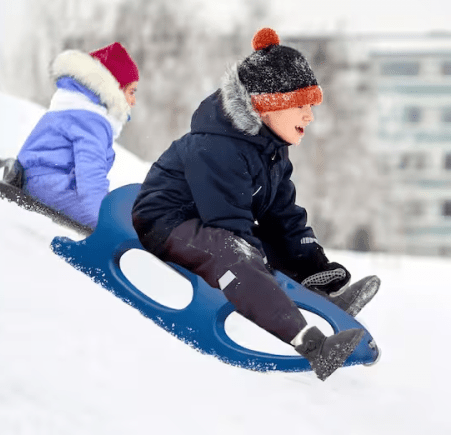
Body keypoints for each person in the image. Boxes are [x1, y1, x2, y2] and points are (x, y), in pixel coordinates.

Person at [131, 28, 380, 381]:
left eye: (311, 106)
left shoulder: (271, 149)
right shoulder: (217, 148)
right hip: (168, 223)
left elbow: (283, 215)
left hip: (213, 220)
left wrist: (312, 264)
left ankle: (324, 298)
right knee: (237, 254)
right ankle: (311, 344)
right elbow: (228, 226)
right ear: (266, 106)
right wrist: (255, 266)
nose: (309, 116)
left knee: (269, 239)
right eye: (301, 105)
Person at [17, 42, 139, 230]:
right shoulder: (92, 120)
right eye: (131, 92)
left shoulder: (74, 108)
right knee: (121, 225)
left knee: (120, 213)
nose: (133, 101)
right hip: (52, 188)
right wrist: (106, 222)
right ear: (115, 88)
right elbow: (90, 175)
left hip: (41, 181)